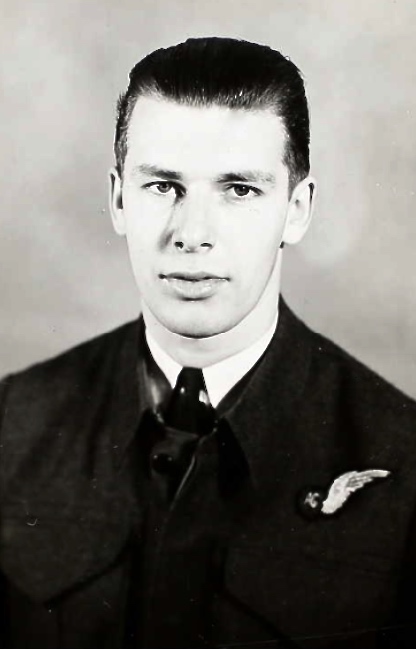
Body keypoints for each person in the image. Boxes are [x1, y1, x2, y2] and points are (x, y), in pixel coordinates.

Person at [0, 36, 415, 649]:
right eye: (163, 186)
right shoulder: (14, 423)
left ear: (297, 209)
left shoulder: (404, 462)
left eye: (239, 189)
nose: (192, 234)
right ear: (118, 200)